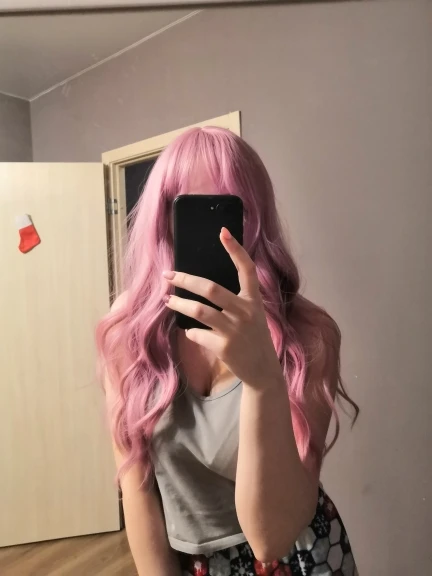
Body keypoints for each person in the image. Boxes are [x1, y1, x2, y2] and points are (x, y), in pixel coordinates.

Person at [96, 127, 359, 576]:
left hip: (298, 555)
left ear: (255, 219)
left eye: (227, 211)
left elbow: (271, 538)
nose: (213, 236)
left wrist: (262, 379)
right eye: (188, 211)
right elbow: (136, 487)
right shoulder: (129, 332)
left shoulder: (308, 336)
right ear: (162, 220)